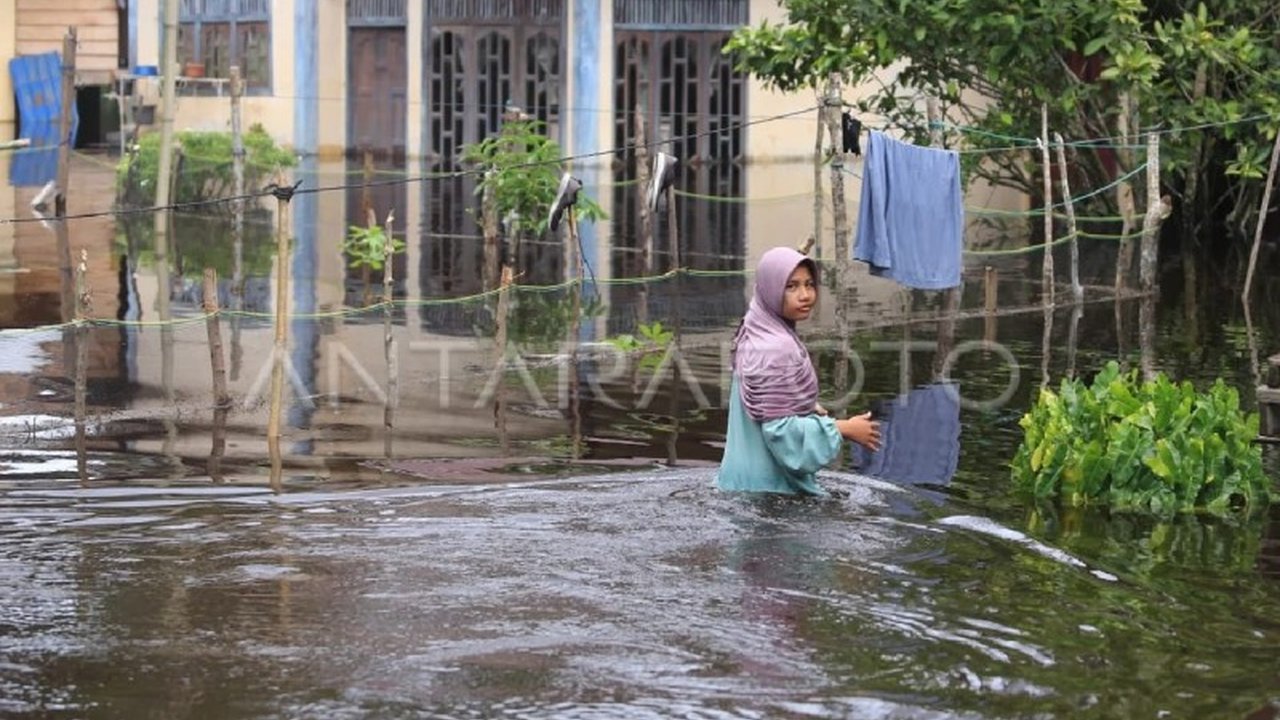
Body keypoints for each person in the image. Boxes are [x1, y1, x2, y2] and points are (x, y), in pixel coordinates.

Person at [717, 247, 881, 496]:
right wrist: (844, 428)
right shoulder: (779, 347)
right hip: (769, 492)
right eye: (791, 286)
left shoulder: (754, 329)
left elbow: (764, 397)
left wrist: (804, 404)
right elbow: (780, 431)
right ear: (771, 289)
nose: (805, 295)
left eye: (809, 284)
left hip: (736, 482)